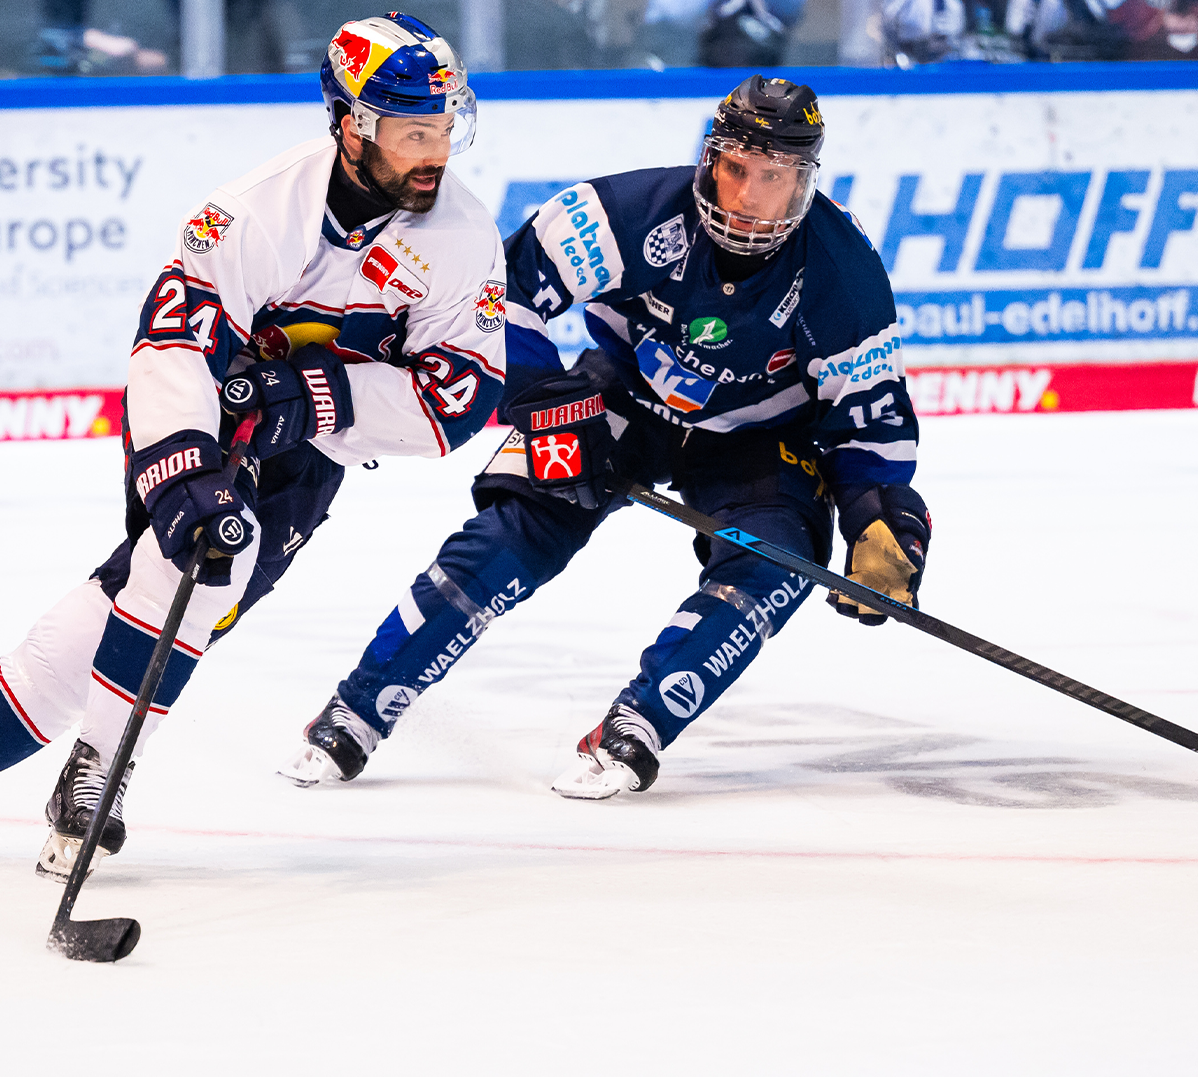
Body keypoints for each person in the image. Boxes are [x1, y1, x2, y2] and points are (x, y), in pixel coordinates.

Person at [0, 13, 506, 873]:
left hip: (309, 456)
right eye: (411, 132)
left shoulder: (463, 239)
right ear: (353, 125)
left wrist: (309, 396)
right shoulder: (252, 213)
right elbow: (173, 347)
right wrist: (183, 475)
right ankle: (102, 768)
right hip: (196, 423)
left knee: (123, 611)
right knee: (207, 564)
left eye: (443, 128)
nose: (434, 152)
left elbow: (458, 398)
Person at [279, 76, 928, 800]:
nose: (747, 196)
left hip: (756, 440)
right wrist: (549, 402)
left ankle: (639, 724)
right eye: (736, 168)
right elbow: (501, 294)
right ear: (710, 157)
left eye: (773, 177)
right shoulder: (625, 213)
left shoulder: (843, 272)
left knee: (776, 562)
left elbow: (868, 415)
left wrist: (879, 514)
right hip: (620, 400)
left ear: (803, 182)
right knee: (511, 530)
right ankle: (361, 706)